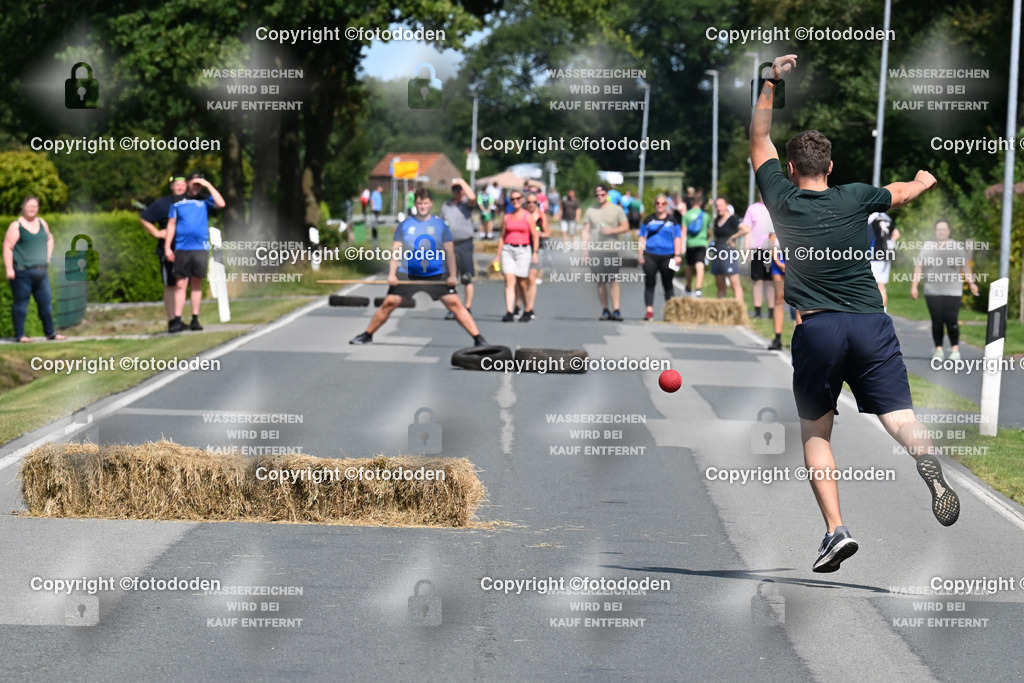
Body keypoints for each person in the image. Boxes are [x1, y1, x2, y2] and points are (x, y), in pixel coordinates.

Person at [751, 54, 959, 574]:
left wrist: (770, 80)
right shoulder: (855, 197)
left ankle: (836, 531)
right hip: (871, 322)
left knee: (816, 434)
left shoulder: (780, 195)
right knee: (901, 417)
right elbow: (902, 191)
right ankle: (925, 461)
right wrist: (924, 181)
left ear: (792, 169)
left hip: (817, 327)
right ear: (831, 168)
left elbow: (759, 138)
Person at [351, 188, 488, 347]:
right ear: (415, 204)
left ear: (430, 204)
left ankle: (478, 338)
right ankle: (367, 335)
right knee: (389, 303)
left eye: (425, 203)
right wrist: (392, 274)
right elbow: (396, 250)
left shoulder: (440, 225)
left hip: (436, 273)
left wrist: (452, 275)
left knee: (455, 305)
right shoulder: (406, 225)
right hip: (409, 273)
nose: (422, 206)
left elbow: (449, 252)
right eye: (419, 203)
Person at [164, 173, 225, 333]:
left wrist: (208, 185)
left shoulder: (205, 200)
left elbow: (221, 203)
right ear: (188, 183)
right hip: (183, 248)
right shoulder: (178, 202)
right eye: (195, 183)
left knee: (196, 282)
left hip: (200, 247)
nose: (197, 186)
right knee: (180, 283)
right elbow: (171, 224)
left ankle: (195, 318)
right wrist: (167, 247)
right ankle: (177, 319)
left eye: (199, 184)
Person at [911, 219, 979, 361]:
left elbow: (965, 266)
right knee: (936, 320)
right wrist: (914, 286)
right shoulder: (928, 247)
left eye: (943, 229)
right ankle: (939, 349)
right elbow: (919, 267)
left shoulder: (956, 247)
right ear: (935, 231)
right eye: (938, 229)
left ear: (948, 231)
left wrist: (971, 283)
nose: (941, 232)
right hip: (932, 291)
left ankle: (955, 350)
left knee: (952, 320)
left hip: (952, 291)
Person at [3, 197, 66, 342]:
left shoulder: (42, 223)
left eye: (35, 206)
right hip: (22, 272)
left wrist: (48, 256)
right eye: (30, 206)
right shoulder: (16, 226)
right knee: (21, 304)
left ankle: (50, 333)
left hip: (41, 272)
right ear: (23, 207)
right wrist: (9, 268)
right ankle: (20, 335)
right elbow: (8, 247)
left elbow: (50, 238)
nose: (33, 209)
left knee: (46, 304)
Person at [140, 175, 188, 331]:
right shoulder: (162, 204)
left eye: (183, 184)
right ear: (172, 187)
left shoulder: (192, 202)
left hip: (187, 249)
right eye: (177, 185)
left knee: (183, 284)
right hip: (169, 250)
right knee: (171, 285)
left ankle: (179, 318)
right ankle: (172, 320)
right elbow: (144, 218)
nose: (180, 187)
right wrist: (156, 233)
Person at [581, 183, 629, 320]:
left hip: (611, 250)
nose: (600, 197)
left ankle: (616, 309)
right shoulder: (591, 211)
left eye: (602, 194)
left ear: (607, 195)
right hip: (595, 251)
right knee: (601, 281)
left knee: (613, 280)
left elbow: (625, 226)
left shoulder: (616, 209)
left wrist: (612, 231)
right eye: (597, 195)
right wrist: (584, 250)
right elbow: (585, 230)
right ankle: (605, 309)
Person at [493, 189, 538, 322]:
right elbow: (502, 237)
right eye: (513, 199)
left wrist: (535, 253)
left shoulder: (527, 216)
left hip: (523, 250)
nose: (515, 201)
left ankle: (527, 309)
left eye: (518, 198)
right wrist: (497, 255)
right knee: (509, 280)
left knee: (522, 282)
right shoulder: (507, 217)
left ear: (522, 199)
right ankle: (509, 311)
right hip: (508, 249)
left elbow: (535, 235)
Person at [637, 195, 683, 320]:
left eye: (663, 203)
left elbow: (677, 238)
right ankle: (649, 310)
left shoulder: (673, 221)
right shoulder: (649, 220)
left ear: (666, 205)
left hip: (667, 255)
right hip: (650, 255)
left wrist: (677, 255)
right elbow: (642, 236)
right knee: (650, 282)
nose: (660, 205)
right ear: (655, 204)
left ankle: (670, 312)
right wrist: (640, 253)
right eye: (657, 203)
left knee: (667, 283)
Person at [440, 178, 477, 320]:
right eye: (455, 189)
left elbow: (472, 197)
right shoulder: (446, 206)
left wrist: (461, 182)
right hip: (450, 245)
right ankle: (454, 307)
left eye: (459, 189)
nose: (457, 192)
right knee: (451, 278)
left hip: (465, 243)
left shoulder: (467, 204)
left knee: (467, 277)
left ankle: (467, 307)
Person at [741, 192, 775, 318]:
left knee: (771, 281)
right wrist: (747, 250)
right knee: (757, 280)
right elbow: (747, 230)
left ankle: (772, 311)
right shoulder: (753, 209)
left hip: (773, 249)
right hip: (757, 248)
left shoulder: (777, 207)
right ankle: (758, 310)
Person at [709, 196, 749, 301]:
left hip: (728, 252)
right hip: (718, 252)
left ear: (726, 206)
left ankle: (739, 309)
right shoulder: (717, 220)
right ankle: (721, 312)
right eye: (717, 206)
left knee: (734, 282)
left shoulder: (732, 219)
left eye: (721, 205)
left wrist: (733, 237)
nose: (719, 208)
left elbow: (746, 229)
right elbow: (715, 236)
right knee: (720, 284)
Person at [866, 211, 899, 309]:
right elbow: (897, 234)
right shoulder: (886, 218)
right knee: (882, 286)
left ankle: (874, 310)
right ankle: (884, 311)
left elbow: (868, 237)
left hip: (875, 254)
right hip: (887, 254)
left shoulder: (870, 218)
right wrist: (890, 242)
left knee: (872, 285)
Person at [523, 192, 549, 315]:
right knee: (522, 281)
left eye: (534, 202)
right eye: (529, 202)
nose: (531, 205)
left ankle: (529, 307)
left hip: (538, 249)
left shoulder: (541, 216)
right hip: (523, 248)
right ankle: (522, 305)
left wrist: (540, 234)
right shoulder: (522, 215)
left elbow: (548, 233)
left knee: (531, 278)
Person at [682, 196, 710, 297]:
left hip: (690, 243)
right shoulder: (706, 216)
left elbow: (683, 232)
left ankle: (688, 286)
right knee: (700, 264)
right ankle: (698, 288)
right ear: (701, 203)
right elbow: (708, 231)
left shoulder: (686, 215)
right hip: (701, 243)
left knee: (689, 265)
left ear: (692, 202)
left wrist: (681, 246)